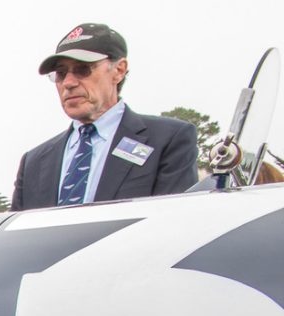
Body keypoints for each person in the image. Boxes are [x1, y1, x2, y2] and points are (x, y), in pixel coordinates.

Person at [12, 24, 197, 211]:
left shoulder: (167, 140)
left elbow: (173, 224)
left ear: (119, 70)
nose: (68, 83)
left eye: (83, 69)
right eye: (61, 73)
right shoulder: (33, 163)